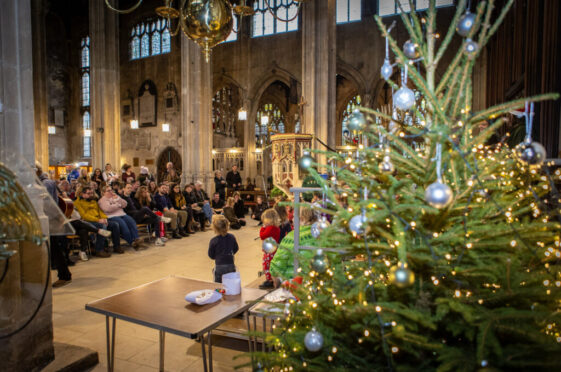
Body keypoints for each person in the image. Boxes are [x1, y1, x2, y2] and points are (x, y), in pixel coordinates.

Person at [36, 162, 72, 287]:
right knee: (53, 248)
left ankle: (64, 275)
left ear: (37, 170)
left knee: (55, 248)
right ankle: (63, 274)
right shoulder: (45, 182)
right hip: (49, 218)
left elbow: (47, 203)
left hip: (49, 219)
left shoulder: (45, 183)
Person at [270, 207, 319, 286]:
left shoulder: (292, 237)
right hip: (318, 284)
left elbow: (277, 264)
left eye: (293, 217)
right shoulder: (323, 234)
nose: (291, 220)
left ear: (302, 219)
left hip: (294, 285)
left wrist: (276, 282)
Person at [74, 187, 118, 257]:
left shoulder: (93, 201)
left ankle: (116, 246)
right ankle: (99, 249)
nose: (91, 195)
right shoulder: (77, 203)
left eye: (92, 193)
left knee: (115, 224)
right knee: (102, 226)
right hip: (88, 222)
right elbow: (84, 216)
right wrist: (98, 220)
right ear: (82, 194)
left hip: (98, 220)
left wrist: (104, 219)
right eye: (89, 193)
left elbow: (100, 212)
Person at [98, 185, 143, 250]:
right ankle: (131, 242)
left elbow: (125, 204)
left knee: (131, 221)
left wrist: (118, 199)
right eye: (108, 191)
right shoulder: (102, 200)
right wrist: (118, 205)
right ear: (103, 192)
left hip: (122, 214)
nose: (111, 192)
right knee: (123, 225)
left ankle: (136, 239)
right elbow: (108, 209)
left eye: (111, 190)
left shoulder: (115, 197)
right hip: (112, 216)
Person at [208, 215, 238, 283]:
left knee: (218, 285)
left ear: (214, 228)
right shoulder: (232, 237)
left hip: (219, 266)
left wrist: (217, 256)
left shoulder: (213, 240)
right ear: (227, 225)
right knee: (231, 283)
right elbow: (236, 248)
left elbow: (211, 255)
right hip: (231, 264)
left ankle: (219, 293)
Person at [259, 208, 281, 289]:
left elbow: (262, 236)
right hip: (272, 249)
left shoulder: (270, 228)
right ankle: (271, 279)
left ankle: (270, 280)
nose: (264, 222)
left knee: (267, 265)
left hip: (270, 251)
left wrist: (262, 228)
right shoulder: (276, 227)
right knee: (269, 264)